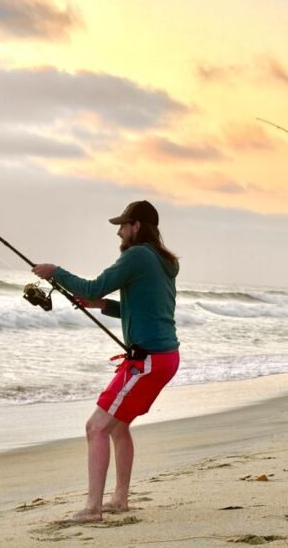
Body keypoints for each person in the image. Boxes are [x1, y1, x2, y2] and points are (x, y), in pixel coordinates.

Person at [32, 200, 180, 522]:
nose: (119, 231)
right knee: (118, 425)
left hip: (148, 361)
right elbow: (147, 308)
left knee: (96, 426)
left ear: (137, 227)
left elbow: (93, 284)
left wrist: (54, 272)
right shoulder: (160, 260)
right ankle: (119, 500)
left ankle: (92, 509)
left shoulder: (137, 255)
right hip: (162, 358)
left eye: (123, 225)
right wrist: (102, 306)